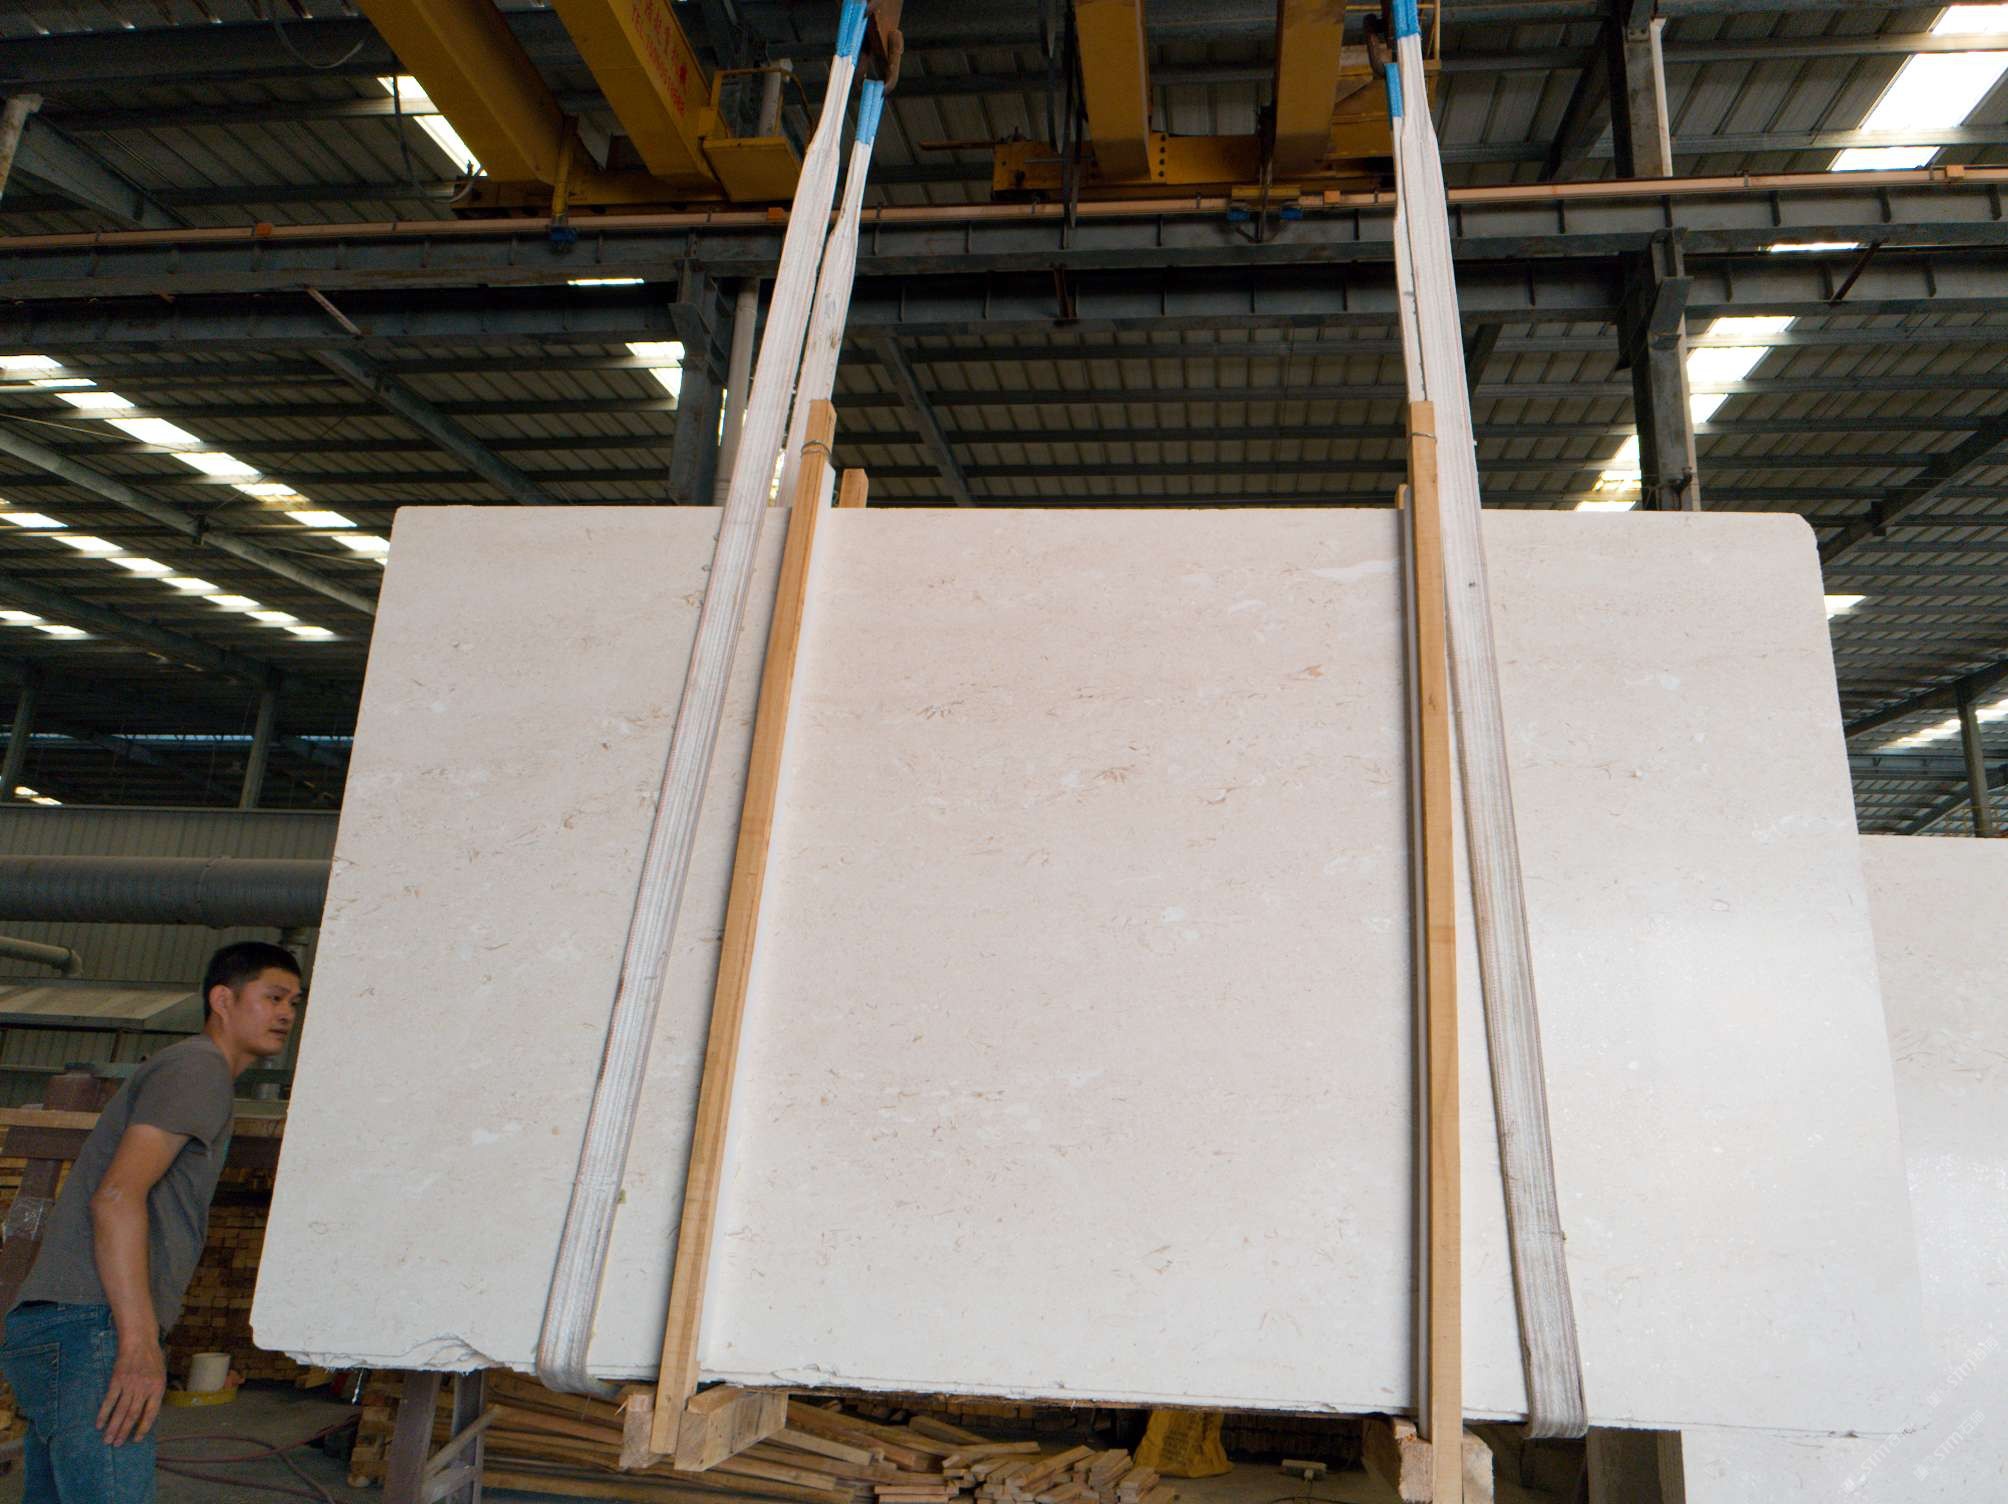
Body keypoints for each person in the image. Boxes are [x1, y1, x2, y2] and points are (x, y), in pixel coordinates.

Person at [0, 940, 301, 1504]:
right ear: (222, 1000)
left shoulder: (192, 1071)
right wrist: (138, 1345)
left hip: (63, 1324)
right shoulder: (198, 1068)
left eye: (293, 1002)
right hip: (90, 1325)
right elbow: (116, 1198)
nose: (286, 1013)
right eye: (273, 997)